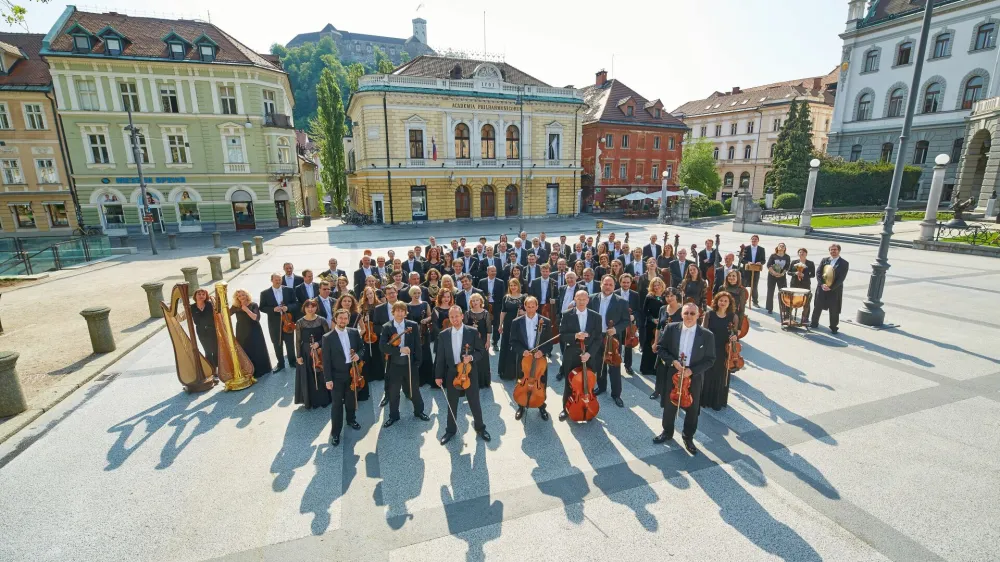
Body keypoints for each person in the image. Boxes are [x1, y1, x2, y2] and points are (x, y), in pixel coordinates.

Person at [654, 303, 717, 455]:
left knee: (692, 408)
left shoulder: (707, 335)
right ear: (681, 314)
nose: (689, 316)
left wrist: (692, 371)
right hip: (674, 373)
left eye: (692, 313)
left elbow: (710, 359)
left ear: (698, 315)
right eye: (686, 313)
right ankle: (667, 432)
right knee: (670, 405)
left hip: (693, 377)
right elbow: (661, 348)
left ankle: (688, 437)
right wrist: (673, 362)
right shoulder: (671, 328)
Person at [435, 305, 491, 444]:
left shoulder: (472, 332)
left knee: (474, 401)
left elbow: (480, 351)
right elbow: (440, 357)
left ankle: (480, 428)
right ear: (449, 318)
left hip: (470, 371)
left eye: (457, 316)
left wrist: (471, 358)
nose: (455, 319)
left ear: (462, 316)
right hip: (452, 372)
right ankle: (450, 430)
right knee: (451, 402)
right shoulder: (444, 335)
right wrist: (438, 376)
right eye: (452, 317)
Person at [379, 301, 430, 426]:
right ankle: (394, 416)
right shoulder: (387, 327)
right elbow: (383, 347)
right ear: (393, 312)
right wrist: (399, 350)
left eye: (402, 311)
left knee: (415, 390)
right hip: (395, 364)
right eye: (397, 310)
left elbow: (418, 345)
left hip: (409, 364)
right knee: (394, 391)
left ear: (405, 312)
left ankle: (419, 411)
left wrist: (417, 362)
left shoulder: (411, 325)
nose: (400, 313)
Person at [323, 308, 367, 446]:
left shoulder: (354, 333)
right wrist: (328, 379)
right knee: (336, 405)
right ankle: (335, 433)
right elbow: (326, 361)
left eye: (345, 318)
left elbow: (362, 348)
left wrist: (358, 355)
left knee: (351, 399)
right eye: (340, 318)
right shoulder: (327, 337)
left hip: (353, 373)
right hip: (337, 376)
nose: (343, 320)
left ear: (348, 320)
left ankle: (351, 419)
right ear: (335, 319)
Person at [558, 290, 603, 421]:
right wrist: (574, 336)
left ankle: (587, 405)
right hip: (572, 353)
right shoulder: (566, 315)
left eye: (584, 299)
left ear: (588, 300)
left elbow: (598, 338)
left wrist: (589, 354)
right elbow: (562, 335)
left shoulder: (596, 316)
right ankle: (565, 408)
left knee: (588, 383)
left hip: (589, 354)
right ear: (574, 300)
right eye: (579, 299)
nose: (582, 302)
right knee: (569, 382)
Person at [511, 296, 555, 421]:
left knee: (541, 383)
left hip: (539, 359)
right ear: (525, 306)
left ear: (537, 306)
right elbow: (513, 341)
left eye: (533, 306)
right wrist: (522, 351)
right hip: (523, 358)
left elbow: (549, 343)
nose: (530, 309)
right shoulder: (516, 322)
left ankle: (541, 405)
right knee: (521, 381)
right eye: (528, 307)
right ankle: (521, 405)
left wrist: (542, 351)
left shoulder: (545, 321)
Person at [589, 275, 629, 407]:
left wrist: (616, 329)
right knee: (599, 364)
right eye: (605, 284)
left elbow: (626, 321)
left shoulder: (621, 301)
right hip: (597, 337)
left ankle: (616, 394)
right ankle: (601, 387)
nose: (607, 287)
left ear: (614, 286)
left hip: (612, 339)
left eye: (610, 285)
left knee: (614, 367)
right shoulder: (592, 298)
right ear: (601, 284)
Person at [701, 292, 736, 411]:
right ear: (716, 301)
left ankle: (718, 401)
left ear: (729, 303)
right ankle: (705, 399)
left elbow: (735, 334)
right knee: (708, 373)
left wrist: (734, 337)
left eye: (726, 301)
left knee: (721, 375)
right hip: (710, 347)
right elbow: (703, 331)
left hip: (724, 350)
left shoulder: (733, 317)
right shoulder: (709, 314)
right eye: (721, 300)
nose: (723, 303)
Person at [294, 299, 332, 409]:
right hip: (306, 351)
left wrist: (318, 343)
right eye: (308, 307)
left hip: (320, 351)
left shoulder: (322, 320)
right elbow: (297, 340)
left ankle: (324, 399)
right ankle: (312, 400)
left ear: (316, 308)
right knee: (309, 375)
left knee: (321, 374)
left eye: (313, 307)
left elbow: (327, 337)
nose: (310, 309)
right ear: (304, 308)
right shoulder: (300, 322)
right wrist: (298, 356)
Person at [260, 273, 298, 372]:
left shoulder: (289, 290)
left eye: (279, 279)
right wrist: (273, 309)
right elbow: (262, 307)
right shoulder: (265, 293)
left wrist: (288, 307)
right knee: (277, 343)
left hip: (288, 321)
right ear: (271, 280)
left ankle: (292, 361)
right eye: (276, 280)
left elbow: (296, 303)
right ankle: (280, 364)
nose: (278, 281)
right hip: (274, 323)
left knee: (290, 343)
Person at [229, 289, 271, 377]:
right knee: (244, 349)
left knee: (256, 349)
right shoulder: (235, 306)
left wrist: (247, 310)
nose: (241, 297)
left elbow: (256, 318)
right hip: (241, 331)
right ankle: (247, 370)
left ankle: (259, 370)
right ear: (237, 298)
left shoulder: (253, 305)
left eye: (243, 295)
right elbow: (226, 315)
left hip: (254, 330)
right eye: (239, 296)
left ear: (246, 295)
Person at [651, 287, 683, 400]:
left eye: (671, 296)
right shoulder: (663, 309)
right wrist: (655, 343)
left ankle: (671, 392)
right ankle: (657, 390)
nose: (669, 298)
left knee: (673, 369)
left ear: (676, 296)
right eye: (667, 296)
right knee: (660, 368)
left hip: (676, 344)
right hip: (662, 343)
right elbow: (659, 327)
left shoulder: (682, 310)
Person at [811, 244, 849, 334]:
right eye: (831, 250)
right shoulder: (825, 260)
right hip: (822, 288)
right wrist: (822, 284)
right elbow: (818, 273)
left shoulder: (844, 263)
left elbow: (841, 278)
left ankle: (833, 326)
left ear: (839, 250)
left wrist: (831, 287)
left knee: (834, 309)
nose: (833, 251)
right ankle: (814, 323)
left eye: (835, 250)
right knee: (817, 306)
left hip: (835, 290)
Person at [497, 278, 526, 380]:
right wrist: (500, 325)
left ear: (518, 286)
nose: (513, 287)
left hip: (519, 325)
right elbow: (503, 312)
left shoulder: (524, 297)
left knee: (517, 346)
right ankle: (505, 371)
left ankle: (517, 371)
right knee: (506, 345)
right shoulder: (506, 297)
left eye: (515, 285)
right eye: (511, 285)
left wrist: (524, 313)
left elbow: (530, 311)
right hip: (508, 324)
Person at [407, 286, 435, 387]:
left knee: (426, 353)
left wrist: (426, 320)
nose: (417, 295)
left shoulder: (425, 304)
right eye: (415, 293)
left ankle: (428, 377)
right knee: (416, 354)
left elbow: (430, 316)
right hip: (413, 333)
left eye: (418, 293)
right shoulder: (407, 306)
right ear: (411, 294)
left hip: (424, 332)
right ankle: (419, 379)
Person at [464, 293, 493, 388]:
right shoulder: (468, 313)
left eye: (477, 300)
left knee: (483, 360)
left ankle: (484, 382)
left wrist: (488, 342)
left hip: (483, 340)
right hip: (471, 341)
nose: (475, 302)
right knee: (473, 360)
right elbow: (464, 327)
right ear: (471, 302)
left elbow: (489, 329)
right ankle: (472, 381)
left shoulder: (485, 313)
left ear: (481, 301)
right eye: (473, 300)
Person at [639, 277, 666, 375]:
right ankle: (646, 368)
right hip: (651, 324)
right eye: (654, 286)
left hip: (661, 324)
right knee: (648, 346)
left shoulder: (664, 296)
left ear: (661, 285)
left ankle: (655, 367)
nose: (656, 287)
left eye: (658, 285)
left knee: (658, 345)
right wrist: (652, 319)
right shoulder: (649, 296)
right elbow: (645, 311)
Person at [616, 274, 641, 375]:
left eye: (628, 282)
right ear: (620, 282)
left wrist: (633, 316)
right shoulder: (615, 293)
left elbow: (638, 310)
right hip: (617, 323)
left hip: (630, 324)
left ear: (631, 283)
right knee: (617, 345)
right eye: (624, 282)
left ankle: (628, 365)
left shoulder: (635, 295)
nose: (626, 284)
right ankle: (616, 363)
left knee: (628, 345)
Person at [190, 289, 218, 371]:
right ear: (195, 296)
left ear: (206, 296)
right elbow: (181, 317)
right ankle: (212, 370)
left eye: (203, 294)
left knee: (216, 351)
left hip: (213, 330)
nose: (201, 296)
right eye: (199, 294)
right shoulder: (192, 307)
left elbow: (219, 313)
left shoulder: (210, 305)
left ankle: (217, 368)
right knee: (208, 351)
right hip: (201, 332)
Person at [740, 235, 766, 307]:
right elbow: (742, 259)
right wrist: (748, 262)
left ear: (758, 241)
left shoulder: (761, 249)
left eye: (755, 240)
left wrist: (760, 263)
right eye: (753, 239)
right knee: (743, 285)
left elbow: (763, 260)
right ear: (750, 240)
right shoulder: (746, 248)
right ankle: (742, 300)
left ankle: (755, 302)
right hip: (746, 270)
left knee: (754, 286)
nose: (754, 241)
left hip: (756, 270)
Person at [765, 243, 791, 314]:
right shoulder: (773, 256)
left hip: (782, 276)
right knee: (770, 291)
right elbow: (769, 265)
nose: (781, 247)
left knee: (783, 292)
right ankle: (769, 308)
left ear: (785, 248)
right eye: (780, 246)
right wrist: (774, 273)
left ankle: (784, 308)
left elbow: (787, 266)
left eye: (783, 246)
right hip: (771, 276)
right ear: (777, 247)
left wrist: (782, 273)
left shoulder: (787, 257)